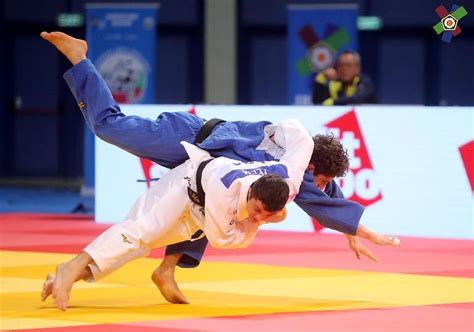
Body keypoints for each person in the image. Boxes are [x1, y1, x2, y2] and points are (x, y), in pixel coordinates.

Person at [40, 31, 400, 305]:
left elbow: (320, 192)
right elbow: (310, 190)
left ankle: (165, 271)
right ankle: (80, 59)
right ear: (311, 164)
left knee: (204, 209)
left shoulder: (299, 165)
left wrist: (349, 229)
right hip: (188, 137)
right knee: (109, 127)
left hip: (203, 166)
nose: (316, 185)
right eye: (319, 177)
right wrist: (359, 228)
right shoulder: (295, 154)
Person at [43, 114, 314, 311]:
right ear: (252, 192)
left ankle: (64, 279)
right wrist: (264, 222)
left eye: (266, 214)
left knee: (139, 247)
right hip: (185, 187)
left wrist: (276, 132)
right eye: (256, 211)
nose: (258, 218)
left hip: (196, 215)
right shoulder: (227, 188)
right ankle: (70, 267)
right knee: (141, 230)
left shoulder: (290, 177)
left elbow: (299, 133)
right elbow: (225, 240)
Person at [312, 50, 377, 105]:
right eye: (341, 65)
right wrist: (322, 78)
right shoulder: (334, 85)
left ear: (357, 68)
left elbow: (358, 98)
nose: (344, 69)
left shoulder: (365, 82)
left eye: (348, 65)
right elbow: (318, 103)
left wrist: (334, 102)